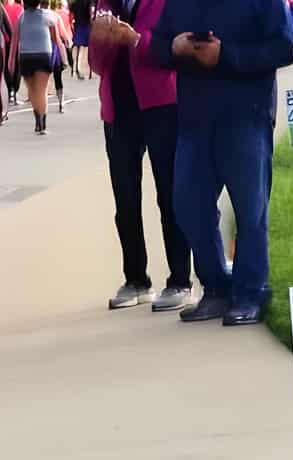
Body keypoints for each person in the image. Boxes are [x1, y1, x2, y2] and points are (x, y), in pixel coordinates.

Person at [151, 0, 293, 326]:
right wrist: (173, 47)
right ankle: (215, 287)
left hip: (247, 117)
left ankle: (249, 292)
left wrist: (225, 56)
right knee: (188, 206)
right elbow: (157, 46)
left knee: (250, 211)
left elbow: (283, 48)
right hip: (194, 121)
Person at [88, 1, 191, 311]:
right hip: (118, 108)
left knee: (170, 195)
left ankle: (180, 281)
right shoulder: (105, 5)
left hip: (161, 104)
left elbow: (178, 51)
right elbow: (96, 64)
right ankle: (135, 279)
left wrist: (135, 39)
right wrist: (102, 40)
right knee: (125, 198)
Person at [13, 0, 67, 133]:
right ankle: (42, 123)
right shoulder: (49, 16)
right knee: (41, 90)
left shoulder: (21, 17)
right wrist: (63, 58)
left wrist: (10, 63)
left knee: (32, 89)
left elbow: (15, 42)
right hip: (43, 54)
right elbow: (57, 40)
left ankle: (37, 118)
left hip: (26, 56)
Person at [67, 0, 88, 75]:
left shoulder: (74, 4)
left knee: (76, 45)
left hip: (77, 25)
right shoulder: (86, 3)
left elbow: (71, 15)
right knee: (81, 48)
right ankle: (78, 67)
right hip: (85, 25)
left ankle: (74, 66)